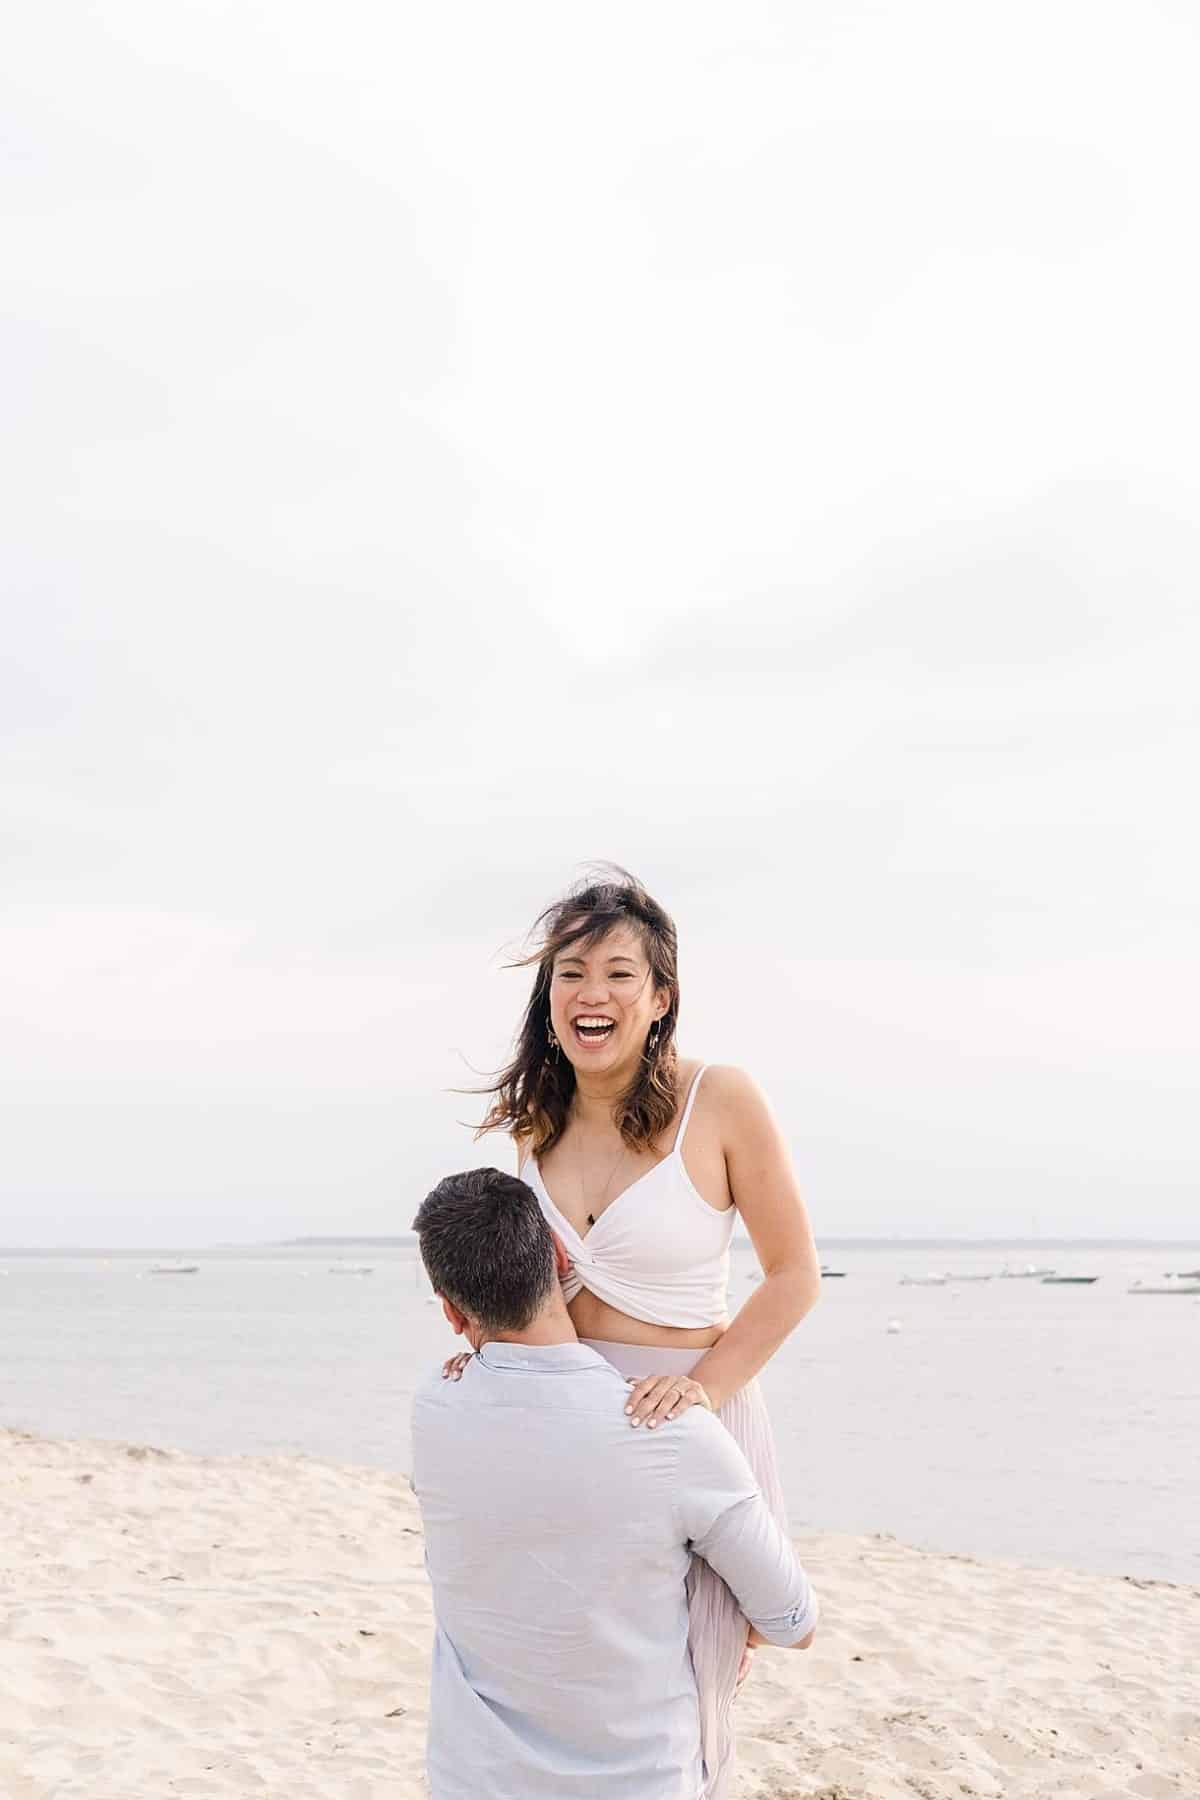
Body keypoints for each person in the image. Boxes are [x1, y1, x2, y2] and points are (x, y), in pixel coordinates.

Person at [458, 866, 823, 1797]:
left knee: (686, 1694)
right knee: (591, 1676)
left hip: (686, 1419)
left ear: (660, 999)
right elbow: (543, 1300)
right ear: (548, 999)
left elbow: (794, 1277)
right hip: (574, 1430)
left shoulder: (722, 1099)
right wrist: (488, 1350)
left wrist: (706, 1389)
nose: (593, 993)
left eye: (620, 974)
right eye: (571, 973)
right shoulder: (534, 1124)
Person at [411, 1167, 818, 1800]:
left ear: (451, 1313)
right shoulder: (672, 1433)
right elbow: (793, 1621)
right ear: (556, 1253)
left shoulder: (436, 1405)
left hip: (474, 1782)